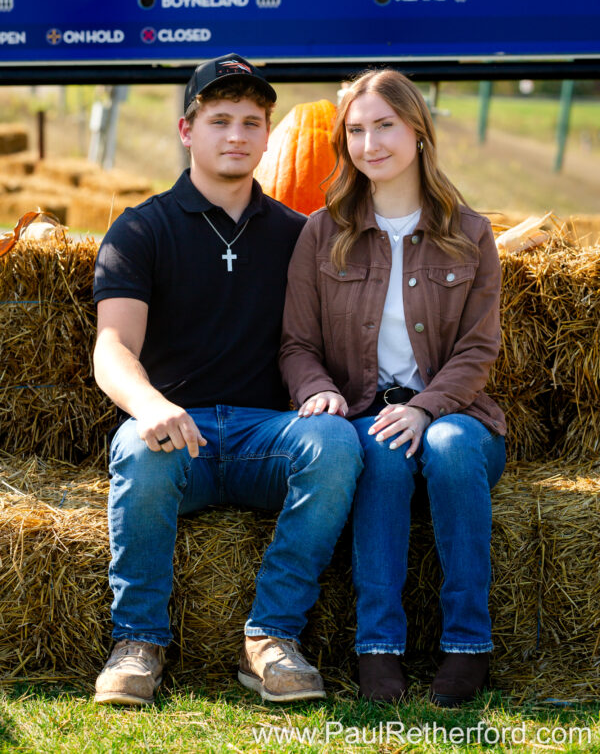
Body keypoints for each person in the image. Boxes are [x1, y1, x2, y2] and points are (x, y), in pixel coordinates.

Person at [92, 53, 363, 706]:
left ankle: (270, 637)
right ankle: (138, 643)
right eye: (219, 120)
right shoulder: (141, 229)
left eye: (250, 121)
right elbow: (113, 347)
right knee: (136, 446)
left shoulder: (301, 236)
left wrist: (321, 389)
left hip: (263, 437)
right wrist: (150, 405)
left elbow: (322, 343)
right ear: (188, 131)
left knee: (336, 446)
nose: (236, 135)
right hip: (175, 433)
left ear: (269, 136)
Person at [279, 68, 506, 707]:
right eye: (355, 130)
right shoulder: (321, 233)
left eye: (384, 125)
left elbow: (477, 351)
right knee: (378, 447)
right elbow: (296, 344)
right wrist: (315, 390)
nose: (370, 142)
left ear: (417, 130)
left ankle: (468, 645)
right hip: (363, 407)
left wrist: (426, 409)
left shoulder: (471, 234)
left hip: (456, 412)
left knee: (451, 447)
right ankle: (378, 647)